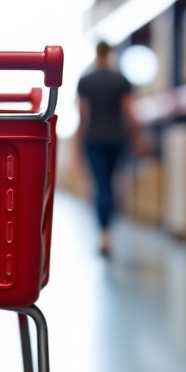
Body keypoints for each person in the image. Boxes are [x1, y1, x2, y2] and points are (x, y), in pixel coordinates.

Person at [76, 40, 136, 256]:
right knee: (110, 185)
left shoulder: (85, 81)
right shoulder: (121, 81)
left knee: (100, 185)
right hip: (116, 139)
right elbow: (129, 113)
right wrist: (137, 137)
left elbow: (83, 114)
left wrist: (78, 143)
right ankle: (108, 231)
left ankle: (103, 234)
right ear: (110, 53)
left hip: (94, 139)